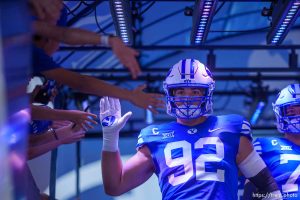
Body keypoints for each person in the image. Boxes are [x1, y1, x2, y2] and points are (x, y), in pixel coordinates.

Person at [99, 59, 282, 200]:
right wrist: (110, 138)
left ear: (206, 94)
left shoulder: (230, 128)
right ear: (170, 95)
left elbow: (266, 185)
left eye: (195, 92)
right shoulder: (154, 137)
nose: (188, 98)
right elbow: (115, 186)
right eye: (180, 92)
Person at [244, 84, 300, 200]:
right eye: (288, 109)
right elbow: (251, 191)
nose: (292, 112)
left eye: (298, 107)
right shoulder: (265, 145)